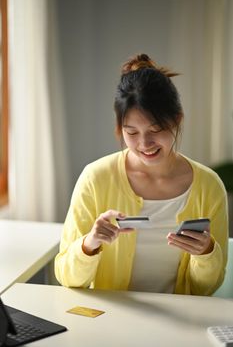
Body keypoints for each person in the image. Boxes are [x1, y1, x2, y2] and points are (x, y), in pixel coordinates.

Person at [55, 53, 229, 295]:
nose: (145, 143)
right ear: (119, 128)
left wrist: (206, 252)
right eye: (132, 132)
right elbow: (68, 278)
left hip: (180, 322)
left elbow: (206, 289)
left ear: (177, 120)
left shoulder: (208, 186)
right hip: (113, 319)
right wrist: (89, 244)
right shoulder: (96, 178)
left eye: (155, 129)